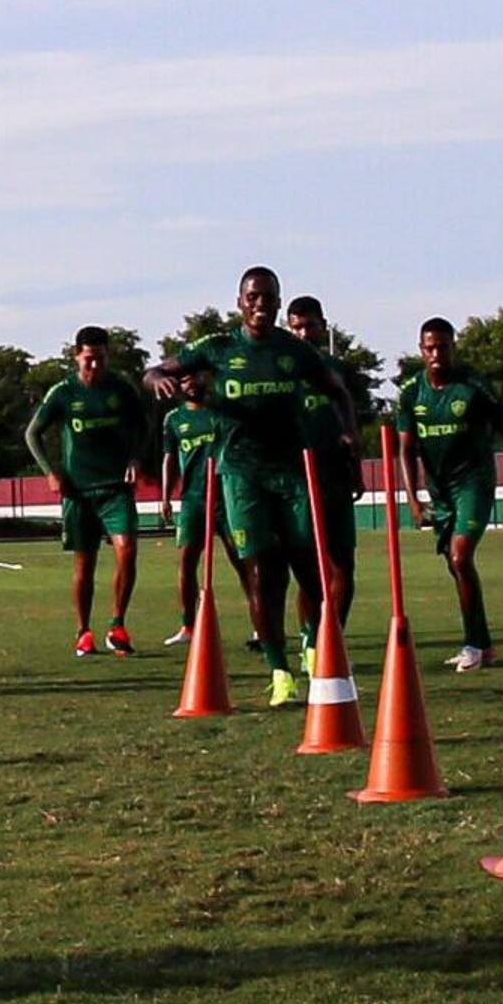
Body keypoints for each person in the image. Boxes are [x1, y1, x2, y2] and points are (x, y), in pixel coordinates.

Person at [195, 268, 341, 705]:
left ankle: (312, 641)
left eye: (269, 298)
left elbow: (338, 391)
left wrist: (347, 432)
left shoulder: (295, 352)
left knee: (310, 565)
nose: (261, 304)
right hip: (241, 474)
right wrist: (165, 379)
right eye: (253, 297)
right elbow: (158, 370)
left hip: (292, 471)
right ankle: (279, 670)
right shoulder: (218, 348)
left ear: (279, 303)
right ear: (240, 301)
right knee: (261, 572)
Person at [393, 316, 503, 672]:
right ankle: (482, 644)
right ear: (422, 351)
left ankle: (473, 645)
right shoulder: (410, 393)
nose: (438, 353)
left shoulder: (474, 387)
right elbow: (405, 450)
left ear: (454, 347)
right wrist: (413, 498)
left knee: (460, 556)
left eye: (444, 347)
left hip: (474, 483)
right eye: (431, 347)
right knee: (457, 567)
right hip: (439, 493)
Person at [26, 327, 154, 656]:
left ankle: (117, 625)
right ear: (76, 357)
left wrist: (136, 459)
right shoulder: (63, 392)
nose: (95, 366)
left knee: (127, 551)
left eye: (100, 358)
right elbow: (33, 433)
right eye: (88, 359)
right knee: (85, 566)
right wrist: (50, 472)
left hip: (116, 488)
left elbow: (143, 425)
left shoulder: (120, 388)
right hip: (79, 492)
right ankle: (84, 631)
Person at [282, 295, 369, 670]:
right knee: (306, 566)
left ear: (323, 326)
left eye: (309, 326)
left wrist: (356, 468)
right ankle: (308, 639)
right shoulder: (279, 368)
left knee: (343, 565)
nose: (303, 333)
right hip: (295, 476)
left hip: (334, 472)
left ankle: (332, 635)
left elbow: (351, 422)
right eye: (296, 327)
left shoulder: (337, 370)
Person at [154, 350, 238, 650]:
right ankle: (188, 624)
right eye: (183, 379)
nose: (189, 383)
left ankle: (260, 627)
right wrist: (165, 497)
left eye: (194, 376)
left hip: (226, 497)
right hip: (192, 499)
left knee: (241, 559)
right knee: (187, 561)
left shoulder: (220, 410)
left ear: (205, 377)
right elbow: (169, 459)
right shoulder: (174, 419)